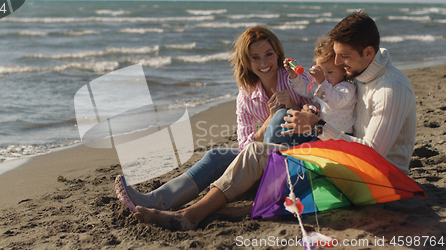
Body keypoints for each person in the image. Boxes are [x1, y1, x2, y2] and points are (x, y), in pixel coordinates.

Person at [133, 11, 417, 231]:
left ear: (368, 53)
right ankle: (187, 206)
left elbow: (372, 154)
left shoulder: (390, 88)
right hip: (346, 161)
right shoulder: (360, 74)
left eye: (344, 57)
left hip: (376, 180)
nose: (338, 64)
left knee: (266, 143)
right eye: (337, 56)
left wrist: (315, 125)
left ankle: (193, 214)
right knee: (235, 153)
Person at [115, 26, 311, 212]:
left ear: (278, 53)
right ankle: (157, 200)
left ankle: (265, 188)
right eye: (255, 58)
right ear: (246, 62)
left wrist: (291, 108)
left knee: (280, 117)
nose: (264, 63)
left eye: (269, 54)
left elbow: (324, 116)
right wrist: (268, 120)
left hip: (303, 156)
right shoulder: (246, 97)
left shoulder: (295, 79)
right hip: (266, 158)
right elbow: (245, 148)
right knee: (216, 156)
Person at [286, 35, 356, 136]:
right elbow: (304, 89)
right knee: (286, 117)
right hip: (319, 134)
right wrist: (293, 75)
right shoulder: (320, 85)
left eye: (330, 72)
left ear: (344, 71)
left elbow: (335, 102)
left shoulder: (347, 88)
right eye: (321, 71)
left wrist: (322, 81)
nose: (325, 75)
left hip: (340, 136)